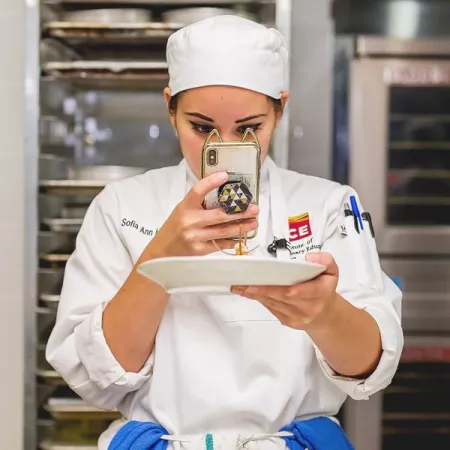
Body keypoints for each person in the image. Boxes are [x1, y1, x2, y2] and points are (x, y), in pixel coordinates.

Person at [46, 15, 403, 450]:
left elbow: (369, 367)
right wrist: (161, 257)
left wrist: (324, 313)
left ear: (280, 110)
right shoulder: (121, 206)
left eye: (250, 128)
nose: (228, 148)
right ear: (170, 108)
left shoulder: (328, 205)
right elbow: (96, 378)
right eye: (202, 128)